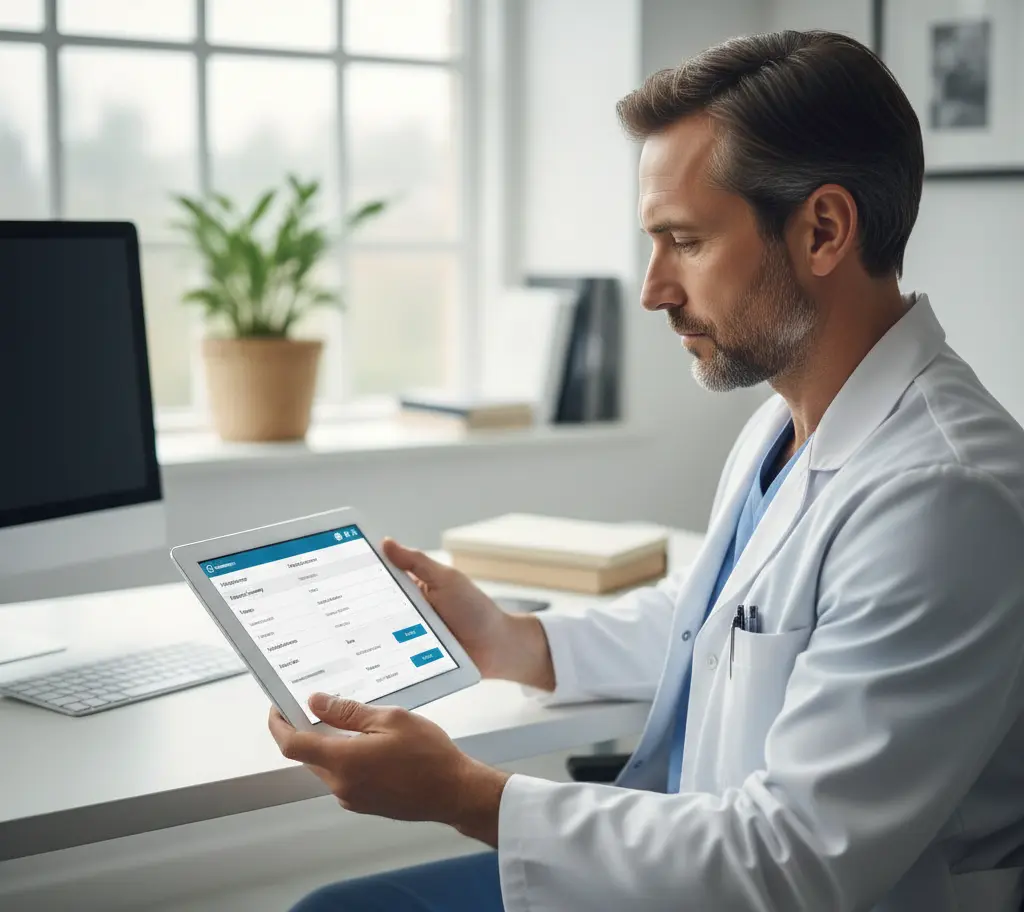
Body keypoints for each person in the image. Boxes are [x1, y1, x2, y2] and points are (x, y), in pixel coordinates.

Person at [270, 29, 1024, 912]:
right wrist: (515, 639)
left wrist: (464, 795)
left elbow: (795, 861)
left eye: (685, 242)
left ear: (823, 229)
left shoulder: (945, 496)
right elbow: (727, 619)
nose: (653, 289)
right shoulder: (786, 425)